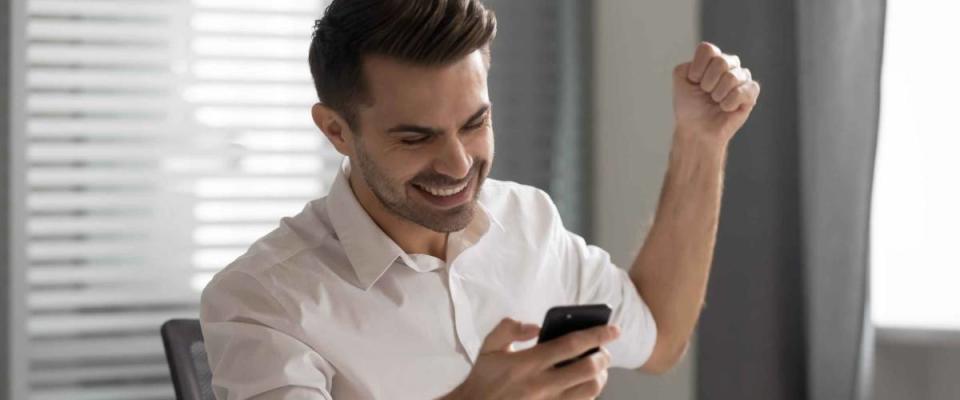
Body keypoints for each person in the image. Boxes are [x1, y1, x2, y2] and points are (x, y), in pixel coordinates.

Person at [199, 0, 760, 399]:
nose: (459, 165)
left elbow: (658, 338)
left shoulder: (529, 222)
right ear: (336, 131)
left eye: (475, 123)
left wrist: (701, 142)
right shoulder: (261, 299)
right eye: (415, 137)